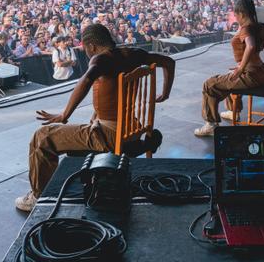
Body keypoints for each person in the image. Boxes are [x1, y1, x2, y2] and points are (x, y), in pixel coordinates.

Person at [16, 24, 176, 212]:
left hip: (108, 134)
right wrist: (165, 93)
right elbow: (169, 62)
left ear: (91, 46)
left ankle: (38, 196)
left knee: (42, 136)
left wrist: (64, 115)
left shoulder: (101, 60)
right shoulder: (134, 54)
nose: (86, 52)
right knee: (89, 120)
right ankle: (135, 146)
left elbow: (86, 80)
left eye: (85, 48)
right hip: (132, 127)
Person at [194, 0, 264, 137]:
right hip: (263, 72)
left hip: (251, 75)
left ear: (242, 14)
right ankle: (233, 112)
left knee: (209, 85)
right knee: (224, 81)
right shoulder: (260, 26)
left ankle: (211, 124)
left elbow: (250, 46)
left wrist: (241, 69)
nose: (235, 18)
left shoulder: (246, 29)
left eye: (235, 15)